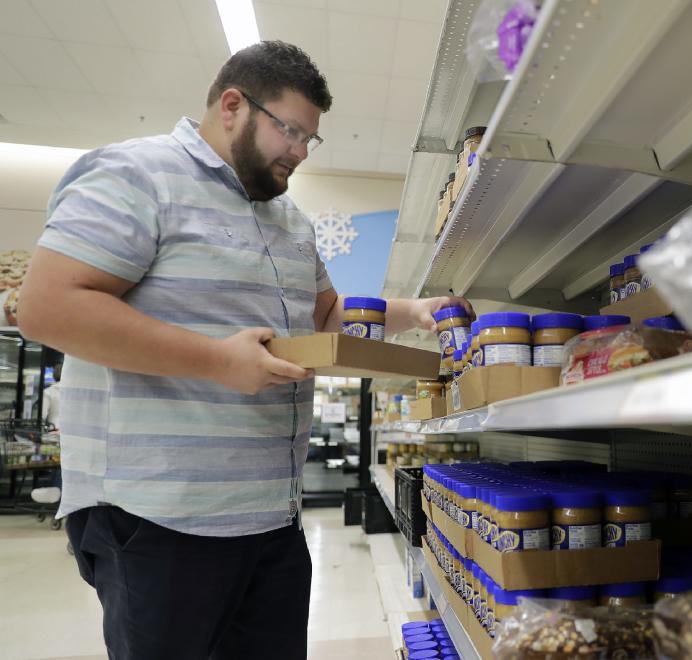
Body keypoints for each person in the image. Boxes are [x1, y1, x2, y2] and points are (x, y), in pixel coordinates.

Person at [17, 41, 472, 660]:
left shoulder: (290, 220)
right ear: (232, 105)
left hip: (272, 518)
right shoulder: (137, 174)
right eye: (289, 130)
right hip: (158, 519)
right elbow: (50, 306)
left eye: (312, 139)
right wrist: (215, 361)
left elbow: (329, 316)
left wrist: (412, 312)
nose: (300, 151)